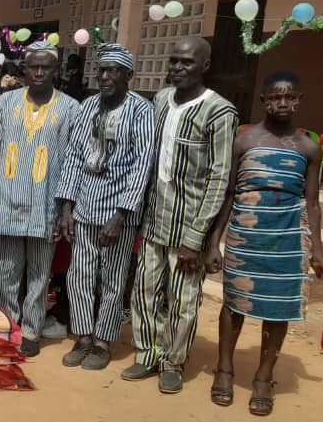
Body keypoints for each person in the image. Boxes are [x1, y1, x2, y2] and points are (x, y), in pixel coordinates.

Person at [205, 71, 323, 415]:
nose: (283, 102)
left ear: (299, 100)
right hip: (245, 237)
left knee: (277, 309)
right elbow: (230, 193)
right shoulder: (245, 141)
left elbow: (311, 204)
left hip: (288, 240)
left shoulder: (308, 147)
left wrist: (318, 253)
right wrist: (214, 243)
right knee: (234, 304)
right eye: (275, 97)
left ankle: (264, 377)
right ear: (264, 100)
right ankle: (224, 369)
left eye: (289, 96)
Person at [123, 36, 238, 394]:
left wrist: (198, 238)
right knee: (143, 292)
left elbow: (219, 178)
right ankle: (148, 354)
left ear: (205, 65)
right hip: (154, 220)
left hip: (190, 227)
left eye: (186, 62)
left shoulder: (220, 112)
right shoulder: (159, 100)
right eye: (173, 61)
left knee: (183, 301)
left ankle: (173, 361)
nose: (177, 68)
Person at [0, 40, 79, 357]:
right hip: (7, 198)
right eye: (34, 66)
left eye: (46, 67)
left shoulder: (71, 108)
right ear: (25, 70)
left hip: (47, 203)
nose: (40, 72)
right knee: (5, 268)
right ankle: (8, 324)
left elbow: (73, 160)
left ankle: (31, 329)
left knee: (40, 272)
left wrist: (65, 207)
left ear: (56, 70)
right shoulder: (5, 103)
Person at [53, 44, 154, 371]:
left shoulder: (141, 110)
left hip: (118, 213)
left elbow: (143, 164)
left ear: (128, 75)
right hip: (84, 205)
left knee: (112, 278)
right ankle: (82, 337)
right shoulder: (88, 106)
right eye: (102, 70)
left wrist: (122, 214)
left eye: (113, 70)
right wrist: (66, 206)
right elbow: (73, 156)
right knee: (79, 276)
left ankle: (102, 341)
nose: (106, 76)